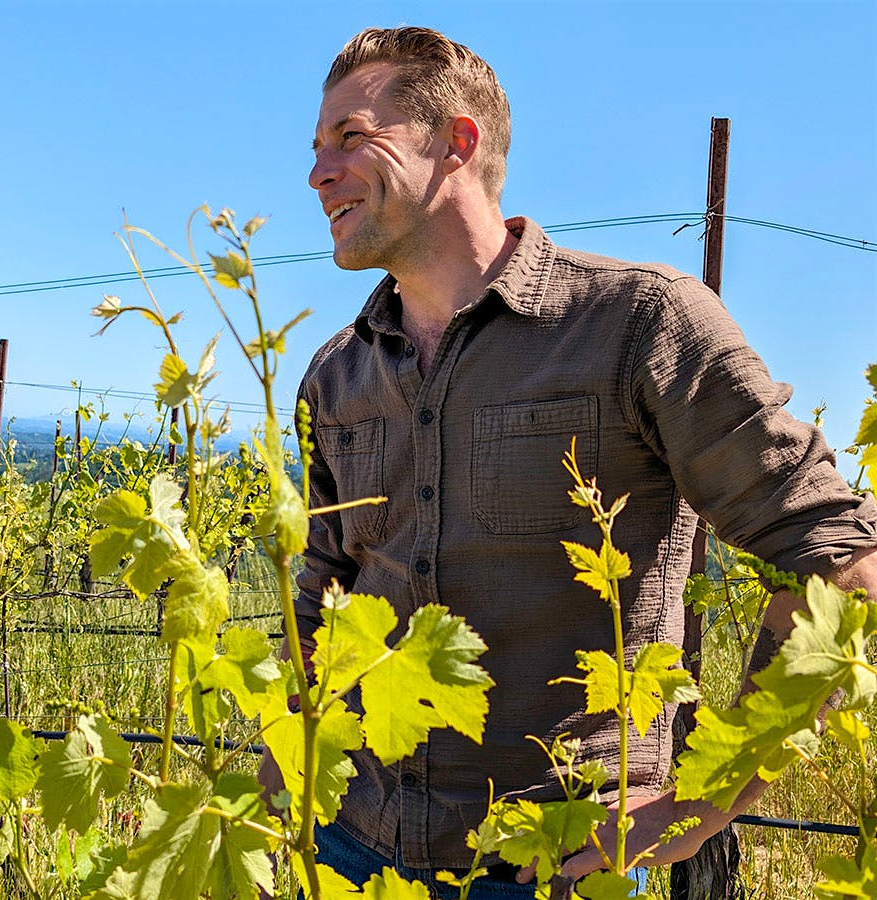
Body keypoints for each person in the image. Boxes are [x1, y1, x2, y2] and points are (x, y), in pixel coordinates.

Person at [288, 26, 877, 898]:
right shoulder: (336, 375)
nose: (317, 173)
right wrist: (277, 794)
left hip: (556, 869)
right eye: (315, 147)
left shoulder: (641, 323)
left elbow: (845, 556)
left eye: (352, 138)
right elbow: (324, 591)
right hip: (346, 849)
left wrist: (707, 799)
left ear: (459, 142)